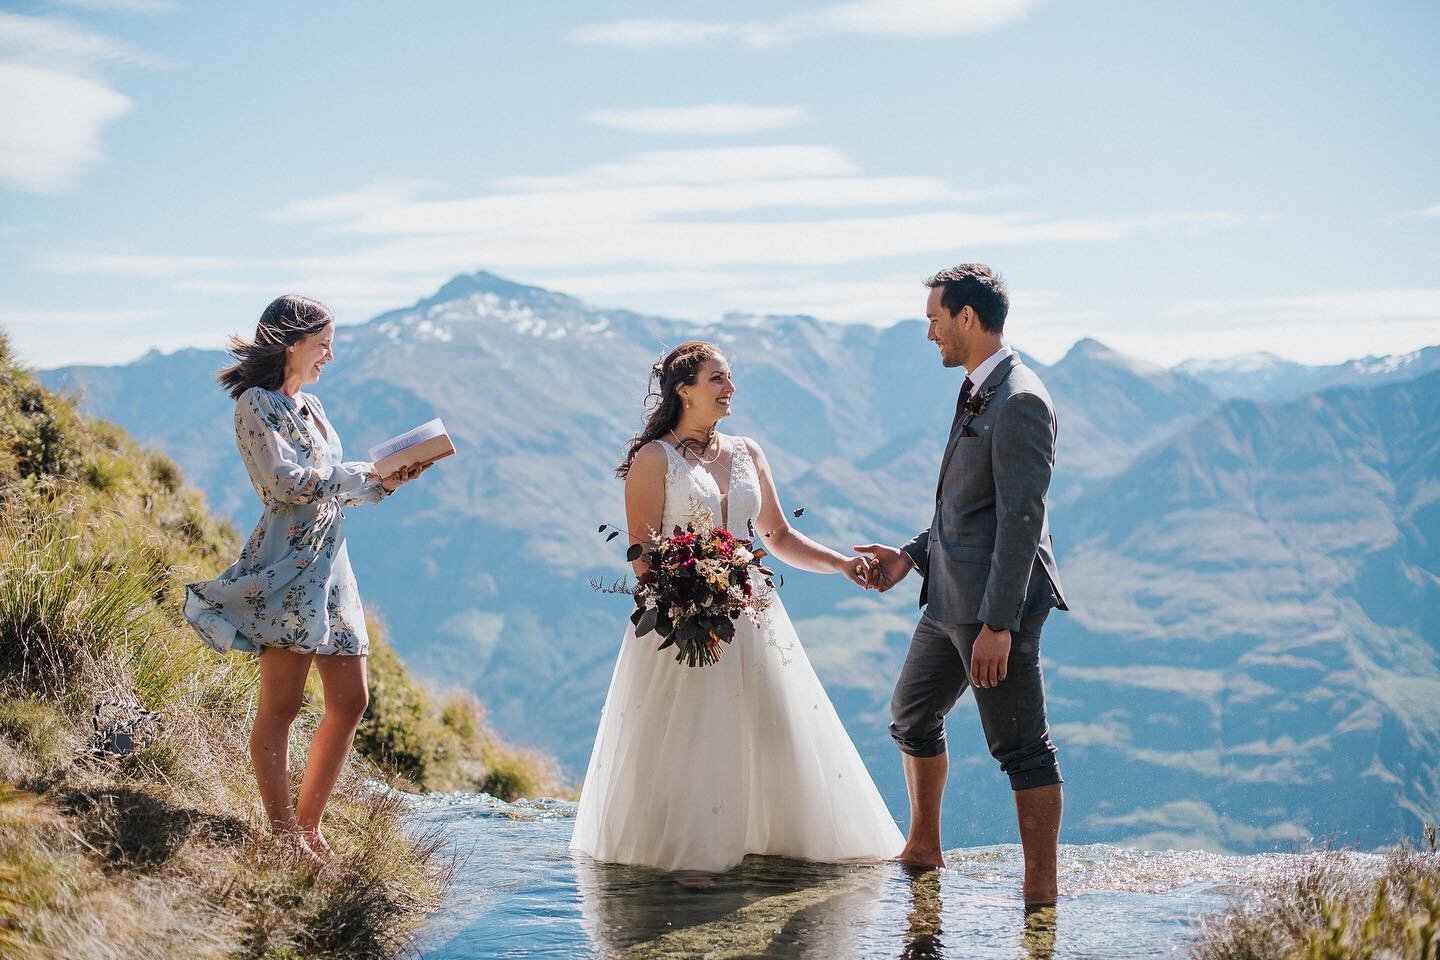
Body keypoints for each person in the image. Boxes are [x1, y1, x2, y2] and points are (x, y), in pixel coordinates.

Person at [570, 340, 903, 874]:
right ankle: (691, 854)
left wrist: (842, 564)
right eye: (717, 380)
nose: (730, 389)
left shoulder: (748, 451)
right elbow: (643, 552)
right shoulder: (653, 459)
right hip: (684, 617)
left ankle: (783, 841)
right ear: (684, 391)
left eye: (729, 378)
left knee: (773, 728)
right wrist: (692, 597)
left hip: (754, 614)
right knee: (691, 734)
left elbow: (777, 534)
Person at [184, 294, 426, 862]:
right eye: (322, 345)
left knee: (350, 699)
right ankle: (282, 834)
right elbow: (284, 484)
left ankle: (309, 826)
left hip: (331, 561)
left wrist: (389, 481)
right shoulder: (255, 404)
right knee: (283, 705)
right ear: (291, 343)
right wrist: (358, 474)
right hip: (288, 562)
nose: (329, 356)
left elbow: (334, 487)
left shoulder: (312, 407)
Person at [856, 264, 1069, 907]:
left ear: (967, 319)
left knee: (1020, 746)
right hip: (946, 595)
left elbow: (1021, 521)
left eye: (933, 319)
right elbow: (966, 508)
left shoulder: (1021, 398)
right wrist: (908, 557)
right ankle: (924, 846)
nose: (929, 334)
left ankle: (1040, 889)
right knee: (912, 716)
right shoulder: (982, 387)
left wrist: (999, 625)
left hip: (991, 609)